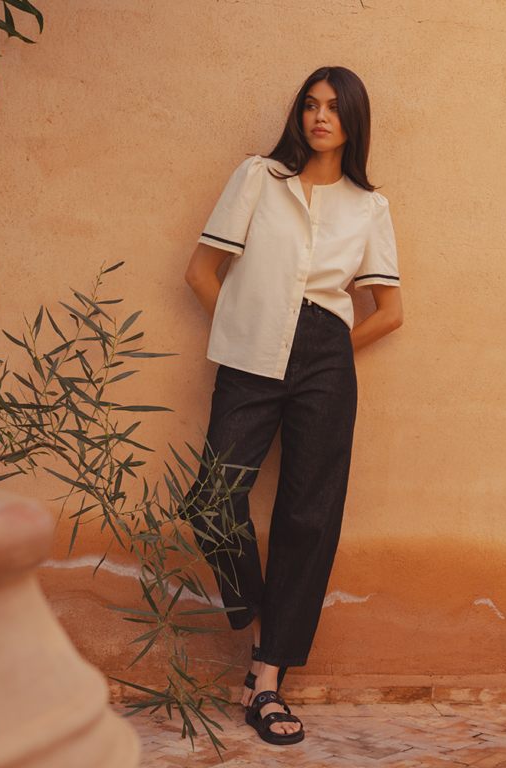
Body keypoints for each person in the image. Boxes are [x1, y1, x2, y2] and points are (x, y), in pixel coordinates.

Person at [183, 66, 403, 745]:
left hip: (326, 353)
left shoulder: (370, 206)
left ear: (353, 120)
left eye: (334, 108)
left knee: (309, 516)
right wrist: (246, 333)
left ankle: (268, 679)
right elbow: (200, 272)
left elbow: (389, 311)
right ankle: (259, 631)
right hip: (252, 350)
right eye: (310, 105)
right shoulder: (260, 178)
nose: (319, 117)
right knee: (213, 500)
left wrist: (328, 355)